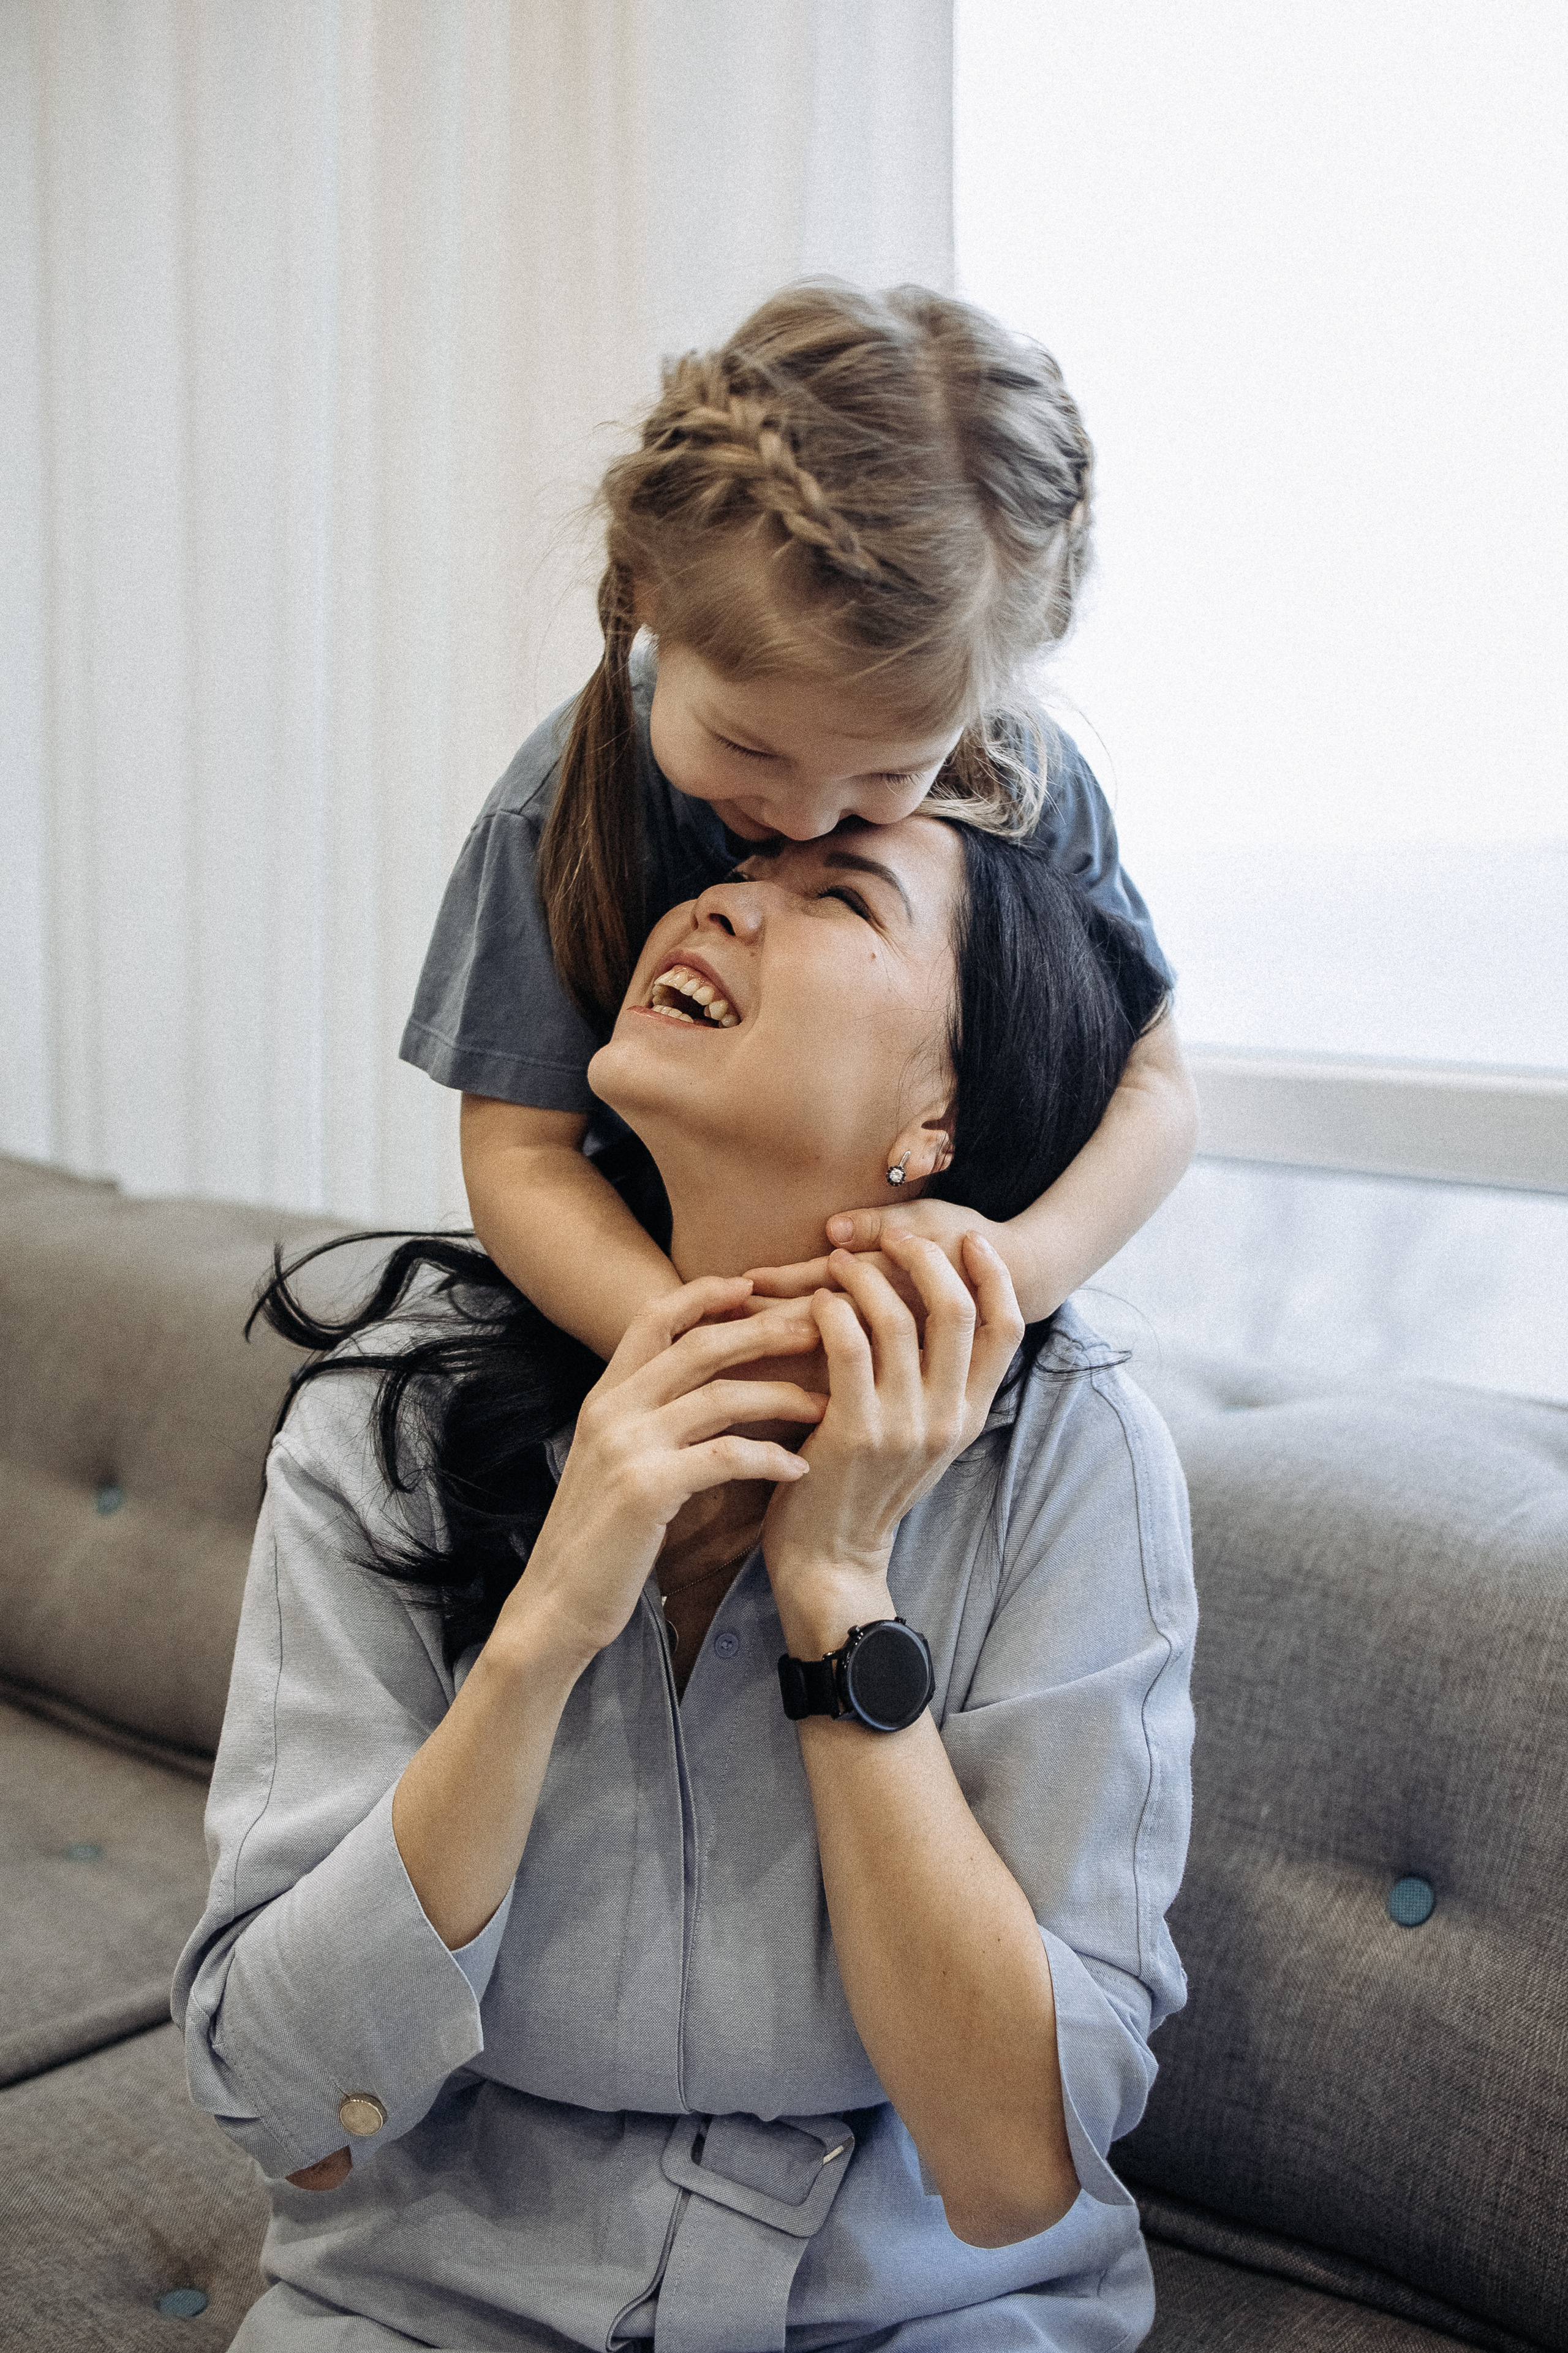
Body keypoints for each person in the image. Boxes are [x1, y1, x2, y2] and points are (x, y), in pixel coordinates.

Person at [176, 814, 1196, 2351]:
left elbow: (1012, 2166)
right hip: (430, 2301)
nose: (722, 903)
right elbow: (286, 2099)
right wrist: (544, 1633)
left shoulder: (1072, 1455)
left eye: (840, 895)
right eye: (724, 878)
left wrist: (839, 1586)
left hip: (911, 2310)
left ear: (940, 1113)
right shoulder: (384, 1416)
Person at [401, 281, 1197, 1362]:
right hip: (619, 1332)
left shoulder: (1022, 776)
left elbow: (1155, 1088)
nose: (804, 814)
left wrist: (1016, 1266)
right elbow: (521, 1153)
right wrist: (701, 1354)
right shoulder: (560, 806)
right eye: (748, 749)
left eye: (887, 773)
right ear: (647, 597)